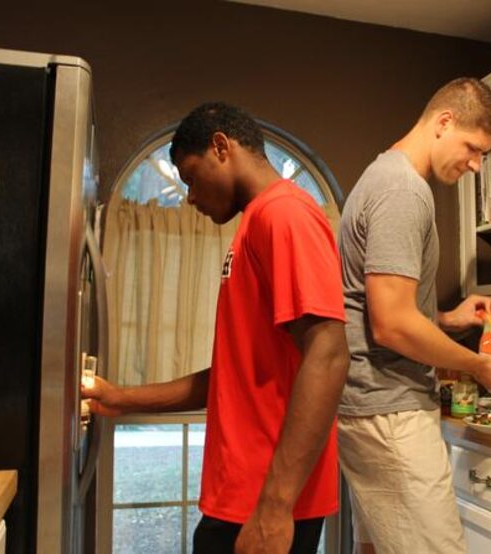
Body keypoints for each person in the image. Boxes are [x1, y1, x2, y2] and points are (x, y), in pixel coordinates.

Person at [82, 102, 350, 554]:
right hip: (242, 496)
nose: (189, 196)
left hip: (265, 502)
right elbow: (234, 379)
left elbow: (329, 354)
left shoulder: (285, 215)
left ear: (221, 148)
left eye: (190, 177)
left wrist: (275, 507)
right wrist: (120, 398)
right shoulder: (255, 224)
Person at [336, 77, 491, 553]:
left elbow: (381, 308)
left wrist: (445, 318)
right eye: (473, 147)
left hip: (376, 407)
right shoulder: (403, 190)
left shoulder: (383, 177)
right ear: (444, 122)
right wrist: (483, 365)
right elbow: (392, 324)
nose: (476, 164)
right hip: (391, 410)